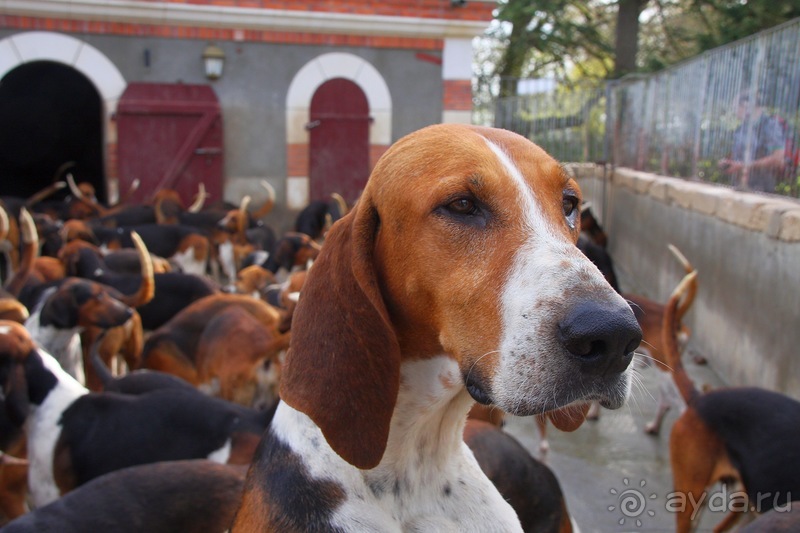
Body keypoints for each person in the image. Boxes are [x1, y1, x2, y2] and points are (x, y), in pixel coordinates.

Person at [719, 91, 786, 193]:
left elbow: (778, 158)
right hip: (740, 187)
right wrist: (729, 163)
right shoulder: (742, 128)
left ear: (746, 106)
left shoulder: (770, 126)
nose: (734, 111)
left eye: (735, 107)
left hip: (761, 189)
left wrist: (743, 165)